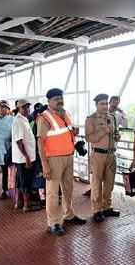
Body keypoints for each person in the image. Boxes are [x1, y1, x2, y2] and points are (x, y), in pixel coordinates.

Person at [38, 88, 86, 235]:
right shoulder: (44, 117)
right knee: (53, 192)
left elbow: (66, 132)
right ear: (49, 101)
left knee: (68, 188)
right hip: (53, 159)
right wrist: (45, 164)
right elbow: (40, 142)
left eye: (60, 97)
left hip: (68, 156)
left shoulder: (65, 114)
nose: (59, 100)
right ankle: (54, 223)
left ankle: (69, 215)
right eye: (56, 98)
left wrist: (73, 132)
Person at [85, 94, 121, 223]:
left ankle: (107, 207)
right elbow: (89, 138)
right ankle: (97, 210)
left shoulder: (112, 117)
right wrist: (104, 131)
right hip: (98, 155)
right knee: (96, 184)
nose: (105, 106)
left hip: (111, 154)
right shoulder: (91, 119)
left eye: (106, 103)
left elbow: (115, 133)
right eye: (102, 104)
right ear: (96, 105)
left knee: (109, 184)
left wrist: (117, 135)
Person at [12, 99, 41, 213]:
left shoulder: (24, 120)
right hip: (24, 158)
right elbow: (19, 142)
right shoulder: (18, 121)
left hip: (25, 157)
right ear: (18, 109)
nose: (27, 109)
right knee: (26, 182)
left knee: (21, 181)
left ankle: (19, 203)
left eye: (28, 107)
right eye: (24, 107)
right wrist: (27, 158)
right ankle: (26, 205)